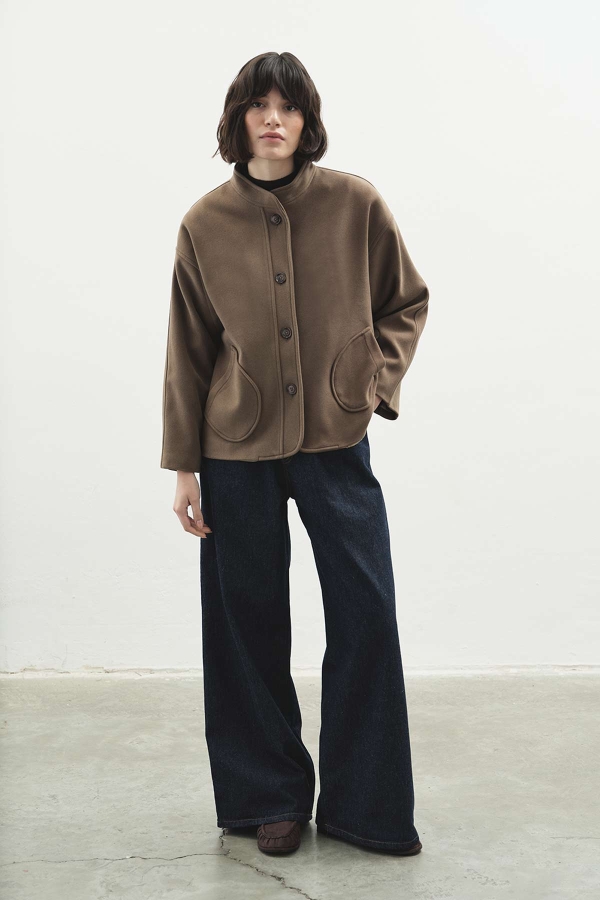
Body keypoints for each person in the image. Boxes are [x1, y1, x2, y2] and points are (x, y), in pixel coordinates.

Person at [160, 51, 429, 856]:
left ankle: (366, 806)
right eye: (258, 105)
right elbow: (188, 350)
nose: (273, 119)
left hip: (334, 437)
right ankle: (267, 797)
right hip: (233, 446)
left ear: (307, 120)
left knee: (365, 611)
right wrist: (184, 467)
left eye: (288, 106)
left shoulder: (355, 203)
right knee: (244, 623)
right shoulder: (205, 222)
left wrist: (369, 384)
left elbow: (406, 301)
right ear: (237, 118)